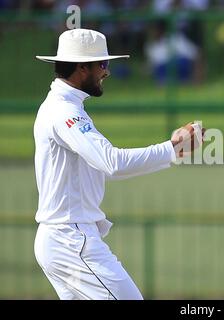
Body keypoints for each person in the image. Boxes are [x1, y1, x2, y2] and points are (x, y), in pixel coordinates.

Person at [33, 28, 204, 300]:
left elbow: (102, 167)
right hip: (71, 239)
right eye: (103, 64)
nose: (107, 72)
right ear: (81, 68)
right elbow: (112, 163)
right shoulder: (64, 111)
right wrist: (172, 149)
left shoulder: (65, 106)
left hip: (63, 238)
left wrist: (171, 152)